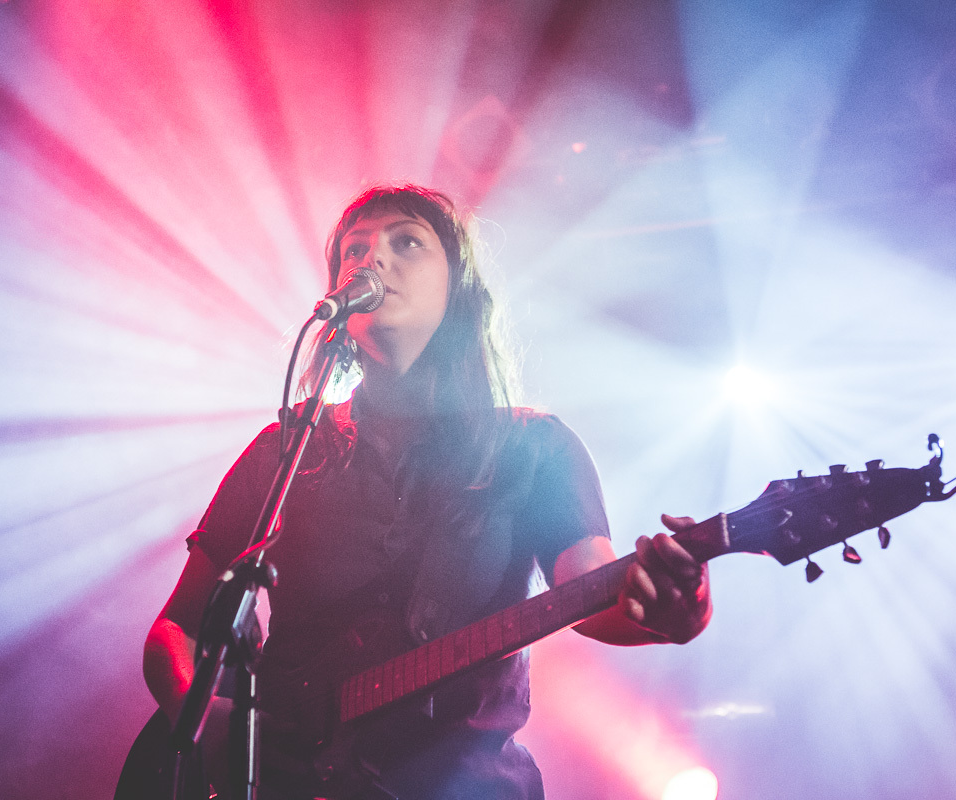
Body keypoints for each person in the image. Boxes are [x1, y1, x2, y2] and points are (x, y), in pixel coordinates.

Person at [143, 184, 712, 799]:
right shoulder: (288, 448)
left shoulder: (533, 448)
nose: (371, 260)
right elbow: (177, 628)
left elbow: (591, 588)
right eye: (353, 251)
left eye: (406, 241)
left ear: (459, 290)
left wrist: (674, 606)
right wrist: (205, 724)